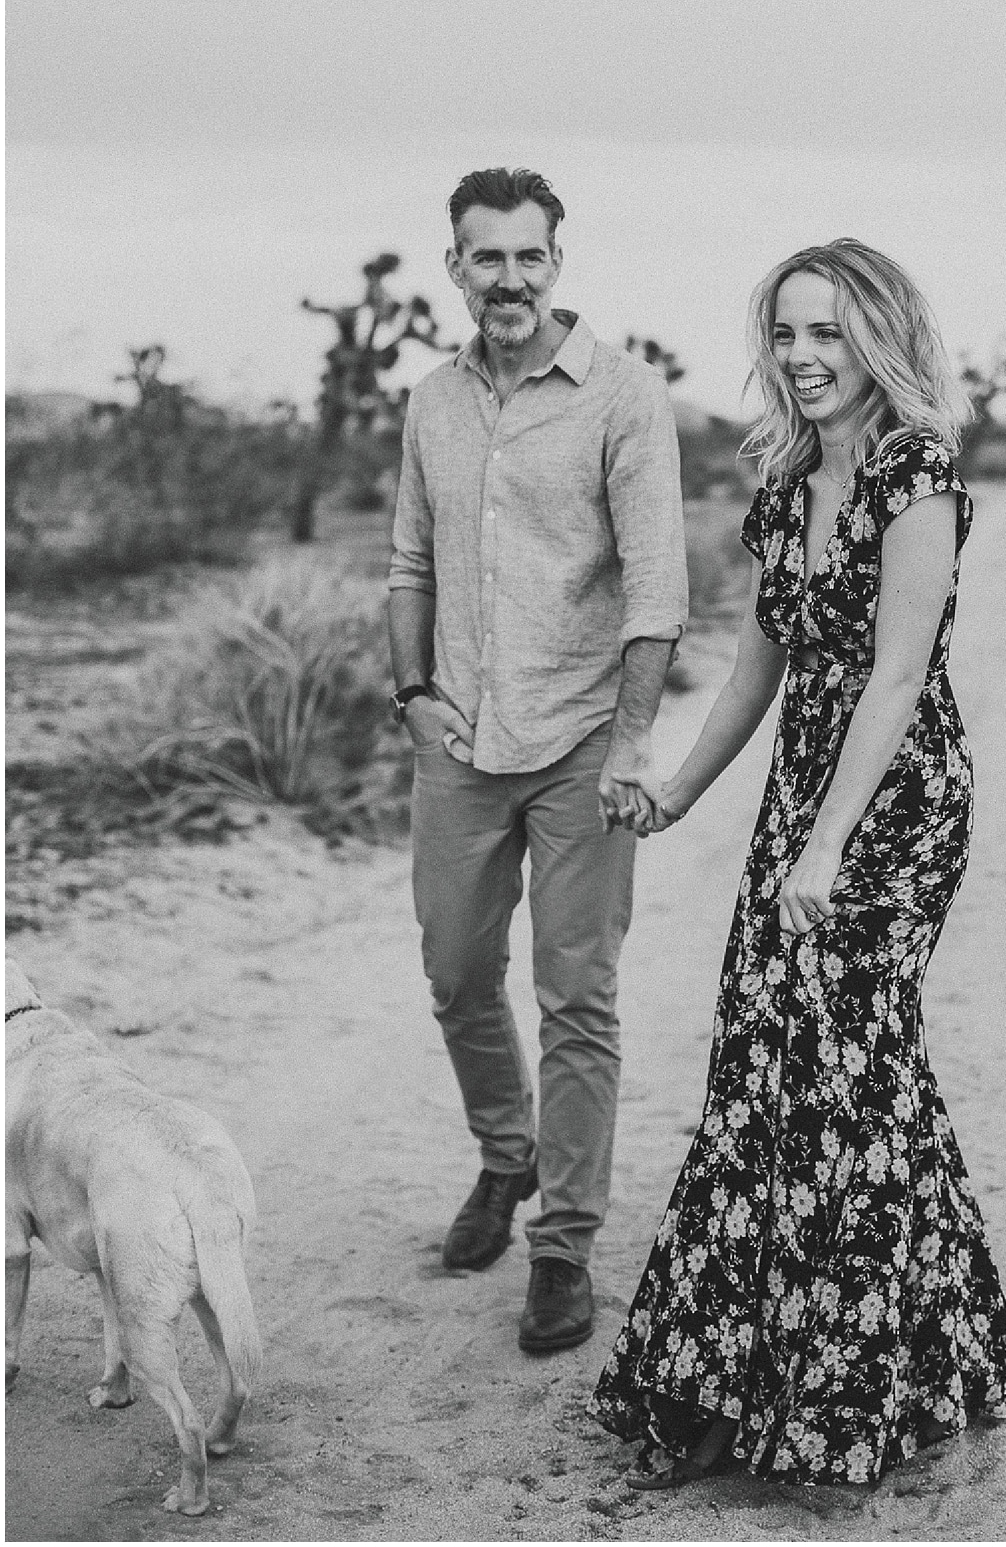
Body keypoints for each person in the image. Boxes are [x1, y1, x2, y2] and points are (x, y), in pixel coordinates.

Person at [589, 238, 1006, 1486]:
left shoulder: (916, 476)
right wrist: (678, 789)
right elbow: (757, 668)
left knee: (853, 1064)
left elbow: (895, 676)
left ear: (878, 335)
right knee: (767, 1060)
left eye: (828, 332)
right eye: (786, 333)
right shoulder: (785, 485)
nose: (803, 356)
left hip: (897, 811)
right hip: (802, 805)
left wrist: (832, 842)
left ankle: (851, 1393)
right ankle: (775, 1372)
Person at [388, 167, 688, 1355]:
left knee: (579, 996)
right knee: (458, 972)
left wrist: (628, 743)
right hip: (458, 735)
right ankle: (504, 1156)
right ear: (454, 266)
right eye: (485, 257)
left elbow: (657, 587)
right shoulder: (431, 401)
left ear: (557, 260)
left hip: (577, 745)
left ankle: (563, 1245)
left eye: (528, 256)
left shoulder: (624, 396)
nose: (507, 278)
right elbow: (409, 560)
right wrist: (413, 694)